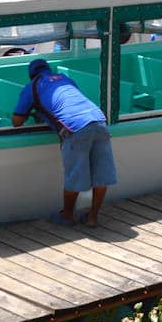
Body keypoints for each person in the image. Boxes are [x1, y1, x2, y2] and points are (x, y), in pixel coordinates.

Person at [12, 59, 117, 227]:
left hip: (75, 128)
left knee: (73, 175)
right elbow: (69, 103)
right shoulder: (64, 78)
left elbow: (16, 121)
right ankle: (92, 217)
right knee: (101, 175)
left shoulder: (31, 87)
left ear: (31, 75)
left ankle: (67, 215)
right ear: (49, 70)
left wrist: (32, 112)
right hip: (99, 120)